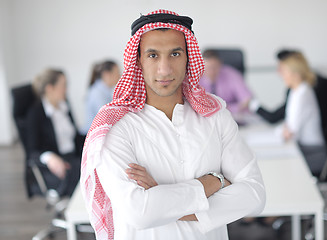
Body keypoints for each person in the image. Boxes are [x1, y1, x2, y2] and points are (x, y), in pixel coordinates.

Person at [80, 9, 265, 240]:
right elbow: (139, 213)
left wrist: (162, 198)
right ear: (138, 60)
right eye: (153, 55)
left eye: (175, 54)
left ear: (189, 58)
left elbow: (255, 196)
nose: (165, 69)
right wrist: (213, 182)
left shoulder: (215, 116)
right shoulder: (115, 127)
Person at [251, 51, 327, 177]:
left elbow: (290, 133)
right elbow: (288, 127)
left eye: (283, 71)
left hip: (312, 153)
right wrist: (284, 130)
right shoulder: (295, 91)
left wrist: (284, 131)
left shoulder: (303, 95)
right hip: (302, 147)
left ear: (295, 74)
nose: (280, 75)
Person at [27, 68, 84, 197]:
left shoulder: (64, 106)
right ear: (49, 88)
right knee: (85, 174)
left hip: (73, 157)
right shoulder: (35, 114)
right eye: (63, 85)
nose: (66, 89)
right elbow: (32, 151)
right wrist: (49, 157)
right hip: (56, 163)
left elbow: (75, 136)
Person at [199, 49, 252, 120]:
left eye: (214, 67)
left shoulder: (232, 75)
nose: (211, 71)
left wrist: (227, 108)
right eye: (208, 68)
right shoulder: (195, 79)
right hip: (204, 120)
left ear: (220, 64)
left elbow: (247, 100)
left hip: (231, 118)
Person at [83, 60, 121, 134]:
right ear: (106, 74)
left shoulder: (105, 91)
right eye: (117, 73)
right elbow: (106, 118)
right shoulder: (97, 93)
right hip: (91, 136)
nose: (120, 76)